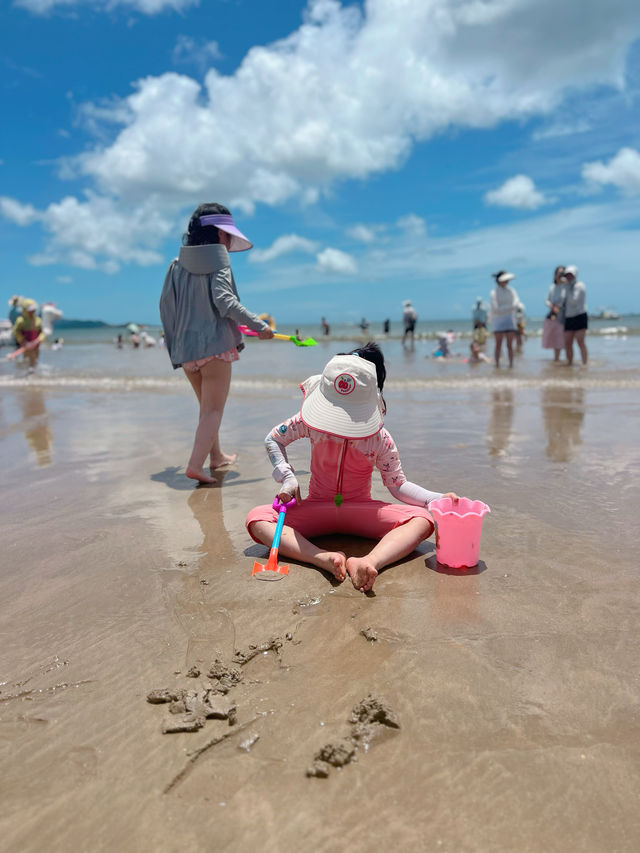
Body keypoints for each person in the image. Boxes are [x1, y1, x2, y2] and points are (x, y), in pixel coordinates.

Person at [246, 344, 460, 592]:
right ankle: (321, 558)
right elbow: (274, 439)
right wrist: (287, 478)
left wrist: (435, 499)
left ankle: (369, 561)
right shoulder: (310, 422)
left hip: (360, 509)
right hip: (318, 507)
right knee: (257, 519)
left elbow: (398, 484)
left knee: (422, 519)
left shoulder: (379, 437)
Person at [160, 202, 274, 483]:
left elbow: (166, 308)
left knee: (206, 409)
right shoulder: (219, 262)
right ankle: (195, 466)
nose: (228, 240)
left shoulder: (175, 266)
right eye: (227, 234)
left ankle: (216, 457)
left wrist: (176, 348)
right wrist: (259, 325)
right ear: (219, 234)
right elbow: (225, 301)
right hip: (215, 350)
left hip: (187, 352)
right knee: (213, 410)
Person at [489, 271, 519, 368]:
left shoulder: (512, 291)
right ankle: (497, 364)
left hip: (510, 319)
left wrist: (506, 308)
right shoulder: (494, 292)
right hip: (498, 320)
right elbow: (496, 309)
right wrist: (509, 307)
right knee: (498, 344)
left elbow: (516, 304)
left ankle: (511, 365)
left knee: (510, 345)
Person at [563, 265, 588, 366]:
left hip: (579, 315)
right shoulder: (565, 286)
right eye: (567, 275)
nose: (568, 277)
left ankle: (584, 363)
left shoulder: (580, 285)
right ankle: (570, 363)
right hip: (569, 317)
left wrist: (565, 289)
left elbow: (574, 300)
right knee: (567, 343)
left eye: (570, 275)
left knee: (580, 341)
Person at [12, 299, 46, 370]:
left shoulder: (38, 320)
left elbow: (43, 332)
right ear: (25, 310)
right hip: (25, 344)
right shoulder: (20, 320)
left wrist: (38, 340)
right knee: (27, 358)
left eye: (33, 310)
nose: (32, 312)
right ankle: (28, 373)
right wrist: (23, 341)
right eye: (30, 310)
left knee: (35, 358)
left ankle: (33, 372)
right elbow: (16, 332)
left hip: (36, 344)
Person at [542, 266, 567, 362]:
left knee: (561, 339)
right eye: (558, 273)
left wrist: (559, 306)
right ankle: (556, 359)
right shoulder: (552, 287)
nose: (560, 276)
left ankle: (563, 359)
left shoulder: (566, 287)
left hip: (563, 316)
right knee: (553, 339)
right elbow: (546, 300)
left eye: (562, 273)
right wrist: (551, 306)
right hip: (552, 315)